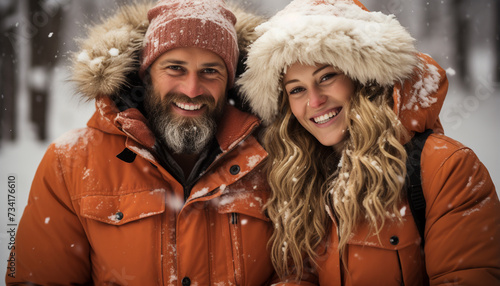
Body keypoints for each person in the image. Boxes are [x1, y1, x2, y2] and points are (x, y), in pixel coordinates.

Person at [6, 1, 275, 285]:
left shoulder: (275, 157)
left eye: (210, 71)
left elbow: (297, 273)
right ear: (145, 76)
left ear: (230, 82)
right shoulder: (71, 161)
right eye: (175, 68)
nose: (192, 89)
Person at [237, 0, 500, 285]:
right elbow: (299, 274)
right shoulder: (301, 177)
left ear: (362, 79)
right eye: (297, 89)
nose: (314, 100)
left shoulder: (445, 168)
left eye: (327, 76)